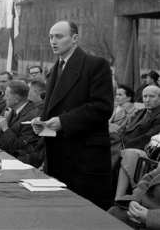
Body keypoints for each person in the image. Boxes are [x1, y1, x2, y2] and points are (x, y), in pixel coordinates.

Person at [32, 20, 114, 210]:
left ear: (75, 38)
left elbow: (102, 107)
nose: (53, 41)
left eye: (59, 36)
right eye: (51, 37)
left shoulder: (96, 64)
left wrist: (63, 121)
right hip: (58, 154)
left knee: (83, 216)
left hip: (83, 158)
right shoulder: (56, 68)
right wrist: (42, 122)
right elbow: (54, 106)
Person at [0, 80, 39, 156]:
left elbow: (17, 146)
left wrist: (5, 128)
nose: (4, 98)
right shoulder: (14, 111)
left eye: (7, 96)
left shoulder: (32, 117)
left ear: (16, 99)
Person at [108, 163, 160, 230]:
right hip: (138, 213)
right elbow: (148, 179)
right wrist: (135, 199)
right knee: (114, 213)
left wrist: (149, 217)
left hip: (153, 221)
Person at [121, 86, 160, 150]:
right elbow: (123, 129)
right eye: (145, 96)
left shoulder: (158, 117)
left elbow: (147, 138)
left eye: (152, 96)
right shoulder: (139, 112)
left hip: (134, 150)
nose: (147, 100)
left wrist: (121, 148)